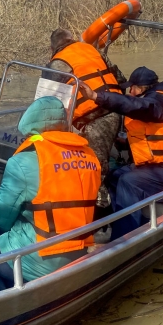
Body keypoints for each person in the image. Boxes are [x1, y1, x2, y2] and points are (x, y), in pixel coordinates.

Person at [0, 96, 101, 296]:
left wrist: (6, 230)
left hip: (41, 256)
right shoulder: (90, 156)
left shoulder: (23, 162)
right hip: (80, 248)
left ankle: (5, 311)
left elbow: (2, 215)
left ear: (29, 125)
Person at [78, 66, 163, 240]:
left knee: (130, 182)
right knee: (114, 176)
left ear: (142, 89)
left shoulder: (160, 102)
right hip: (161, 166)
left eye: (132, 88)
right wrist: (125, 142)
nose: (130, 92)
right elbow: (154, 135)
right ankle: (113, 225)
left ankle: (124, 239)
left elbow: (137, 106)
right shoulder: (152, 101)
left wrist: (97, 97)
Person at [45, 28, 124, 205]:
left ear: (52, 48)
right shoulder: (92, 50)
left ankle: (100, 213)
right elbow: (119, 78)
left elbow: (45, 101)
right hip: (115, 109)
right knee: (98, 163)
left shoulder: (57, 63)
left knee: (94, 170)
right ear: (71, 39)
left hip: (95, 120)